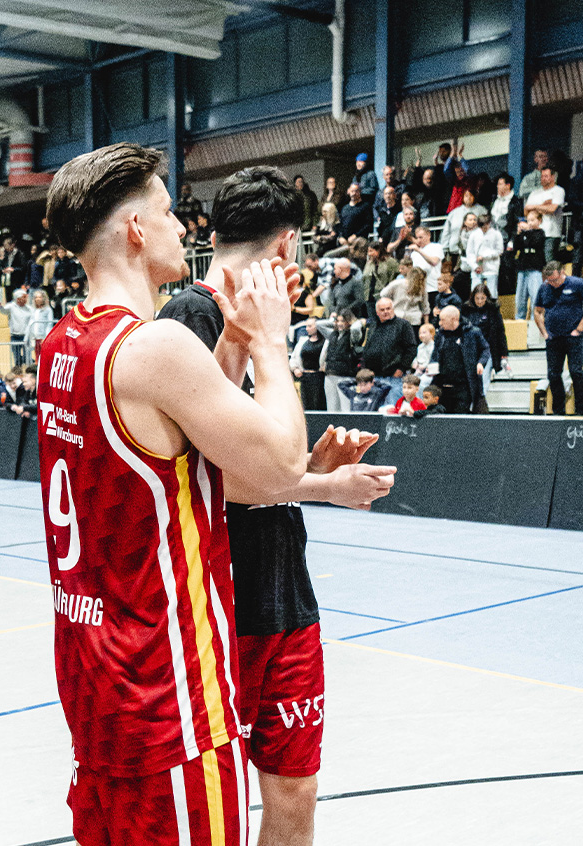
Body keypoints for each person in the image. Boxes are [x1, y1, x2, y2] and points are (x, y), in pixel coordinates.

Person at [41, 144, 313, 846]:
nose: (183, 227)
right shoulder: (155, 347)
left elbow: (177, 450)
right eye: (167, 212)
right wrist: (270, 346)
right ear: (135, 229)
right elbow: (281, 465)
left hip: (95, 677)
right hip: (169, 691)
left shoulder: (63, 343)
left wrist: (232, 343)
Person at [152, 164, 394, 846]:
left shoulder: (259, 321)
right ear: (288, 243)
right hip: (222, 604)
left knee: (294, 789)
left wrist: (310, 467)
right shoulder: (190, 318)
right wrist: (327, 488)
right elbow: (206, 475)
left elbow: (256, 457)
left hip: (284, 591)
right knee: (219, 802)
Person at [534, 261, 583, 415]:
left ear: (562, 273)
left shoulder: (577, 284)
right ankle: (558, 411)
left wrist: (579, 328)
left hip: (573, 336)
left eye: (555, 280)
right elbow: (537, 311)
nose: (552, 283)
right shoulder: (544, 288)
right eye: (549, 281)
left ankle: (582, 410)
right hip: (553, 337)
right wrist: (544, 332)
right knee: (553, 374)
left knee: (576, 371)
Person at [426, 306, 491, 414]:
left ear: (454, 319)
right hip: (443, 386)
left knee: (460, 417)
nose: (440, 323)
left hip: (463, 386)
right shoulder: (440, 335)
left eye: (443, 320)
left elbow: (485, 349)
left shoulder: (472, 332)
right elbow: (435, 355)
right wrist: (431, 366)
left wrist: (481, 363)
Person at [361, 297, 418, 407]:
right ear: (377, 312)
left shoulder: (403, 325)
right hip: (374, 378)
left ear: (393, 309)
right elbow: (367, 348)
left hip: (394, 378)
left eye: (388, 308)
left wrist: (401, 368)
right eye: (382, 310)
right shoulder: (372, 326)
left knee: (391, 409)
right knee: (375, 409)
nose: (386, 312)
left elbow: (411, 348)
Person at [460, 285, 508, 395]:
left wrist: (504, 354)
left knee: (483, 377)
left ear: (487, 297)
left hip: (488, 349)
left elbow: (500, 332)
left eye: (482, 298)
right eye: (477, 298)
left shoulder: (493, 310)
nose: (480, 301)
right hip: (471, 349)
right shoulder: (466, 310)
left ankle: (481, 400)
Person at [512, 209, 547, 321]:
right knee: (520, 298)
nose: (530, 223)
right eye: (528, 220)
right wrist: (518, 234)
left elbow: (535, 242)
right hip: (523, 268)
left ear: (539, 221)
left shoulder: (540, 233)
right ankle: (519, 319)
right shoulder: (524, 233)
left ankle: (535, 320)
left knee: (535, 296)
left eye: (532, 220)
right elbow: (516, 247)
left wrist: (528, 231)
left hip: (535, 268)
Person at [525, 167, 566, 262]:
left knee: (549, 262)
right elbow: (526, 211)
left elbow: (552, 209)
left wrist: (534, 207)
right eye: (542, 176)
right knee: (536, 261)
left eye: (546, 176)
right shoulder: (534, 193)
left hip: (551, 234)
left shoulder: (558, 191)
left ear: (553, 177)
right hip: (534, 233)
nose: (543, 178)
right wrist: (544, 205)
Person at [324, 309, 360, 412]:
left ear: (349, 321)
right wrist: (332, 320)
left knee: (345, 408)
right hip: (330, 373)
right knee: (331, 409)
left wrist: (355, 320)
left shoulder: (352, 334)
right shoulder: (333, 334)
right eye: (338, 321)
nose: (339, 324)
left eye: (343, 321)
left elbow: (356, 327)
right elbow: (318, 325)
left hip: (345, 375)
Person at [290, 316, 327, 410]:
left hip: (319, 377)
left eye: (310, 326)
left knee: (318, 404)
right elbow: (294, 357)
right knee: (306, 404)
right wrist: (295, 369)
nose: (307, 329)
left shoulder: (325, 342)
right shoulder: (302, 340)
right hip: (305, 376)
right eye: (306, 326)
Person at [465, 212, 504, 297]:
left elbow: (499, 250)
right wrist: (475, 266)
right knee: (475, 293)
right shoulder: (474, 235)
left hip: (491, 268)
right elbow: (469, 253)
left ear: (489, 223)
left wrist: (485, 256)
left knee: (491, 294)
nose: (484, 229)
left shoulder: (496, 234)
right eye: (482, 227)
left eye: (485, 226)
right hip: (477, 269)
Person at [380, 262, 429, 327]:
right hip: (397, 317)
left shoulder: (422, 289)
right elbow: (383, 294)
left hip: (413, 320)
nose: (420, 282)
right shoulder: (397, 284)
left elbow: (425, 308)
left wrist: (426, 324)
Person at [2, 287, 33, 368]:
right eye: (23, 297)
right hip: (14, 335)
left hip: (26, 336)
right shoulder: (11, 306)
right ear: (18, 299)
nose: (25, 299)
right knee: (17, 356)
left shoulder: (29, 309)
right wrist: (0, 306)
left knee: (27, 356)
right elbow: (3, 311)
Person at [27, 288, 55, 361]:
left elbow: (49, 324)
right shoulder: (33, 310)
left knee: (44, 358)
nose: (38, 299)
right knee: (37, 357)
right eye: (36, 297)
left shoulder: (48, 310)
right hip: (35, 337)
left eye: (40, 297)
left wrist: (46, 337)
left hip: (43, 337)